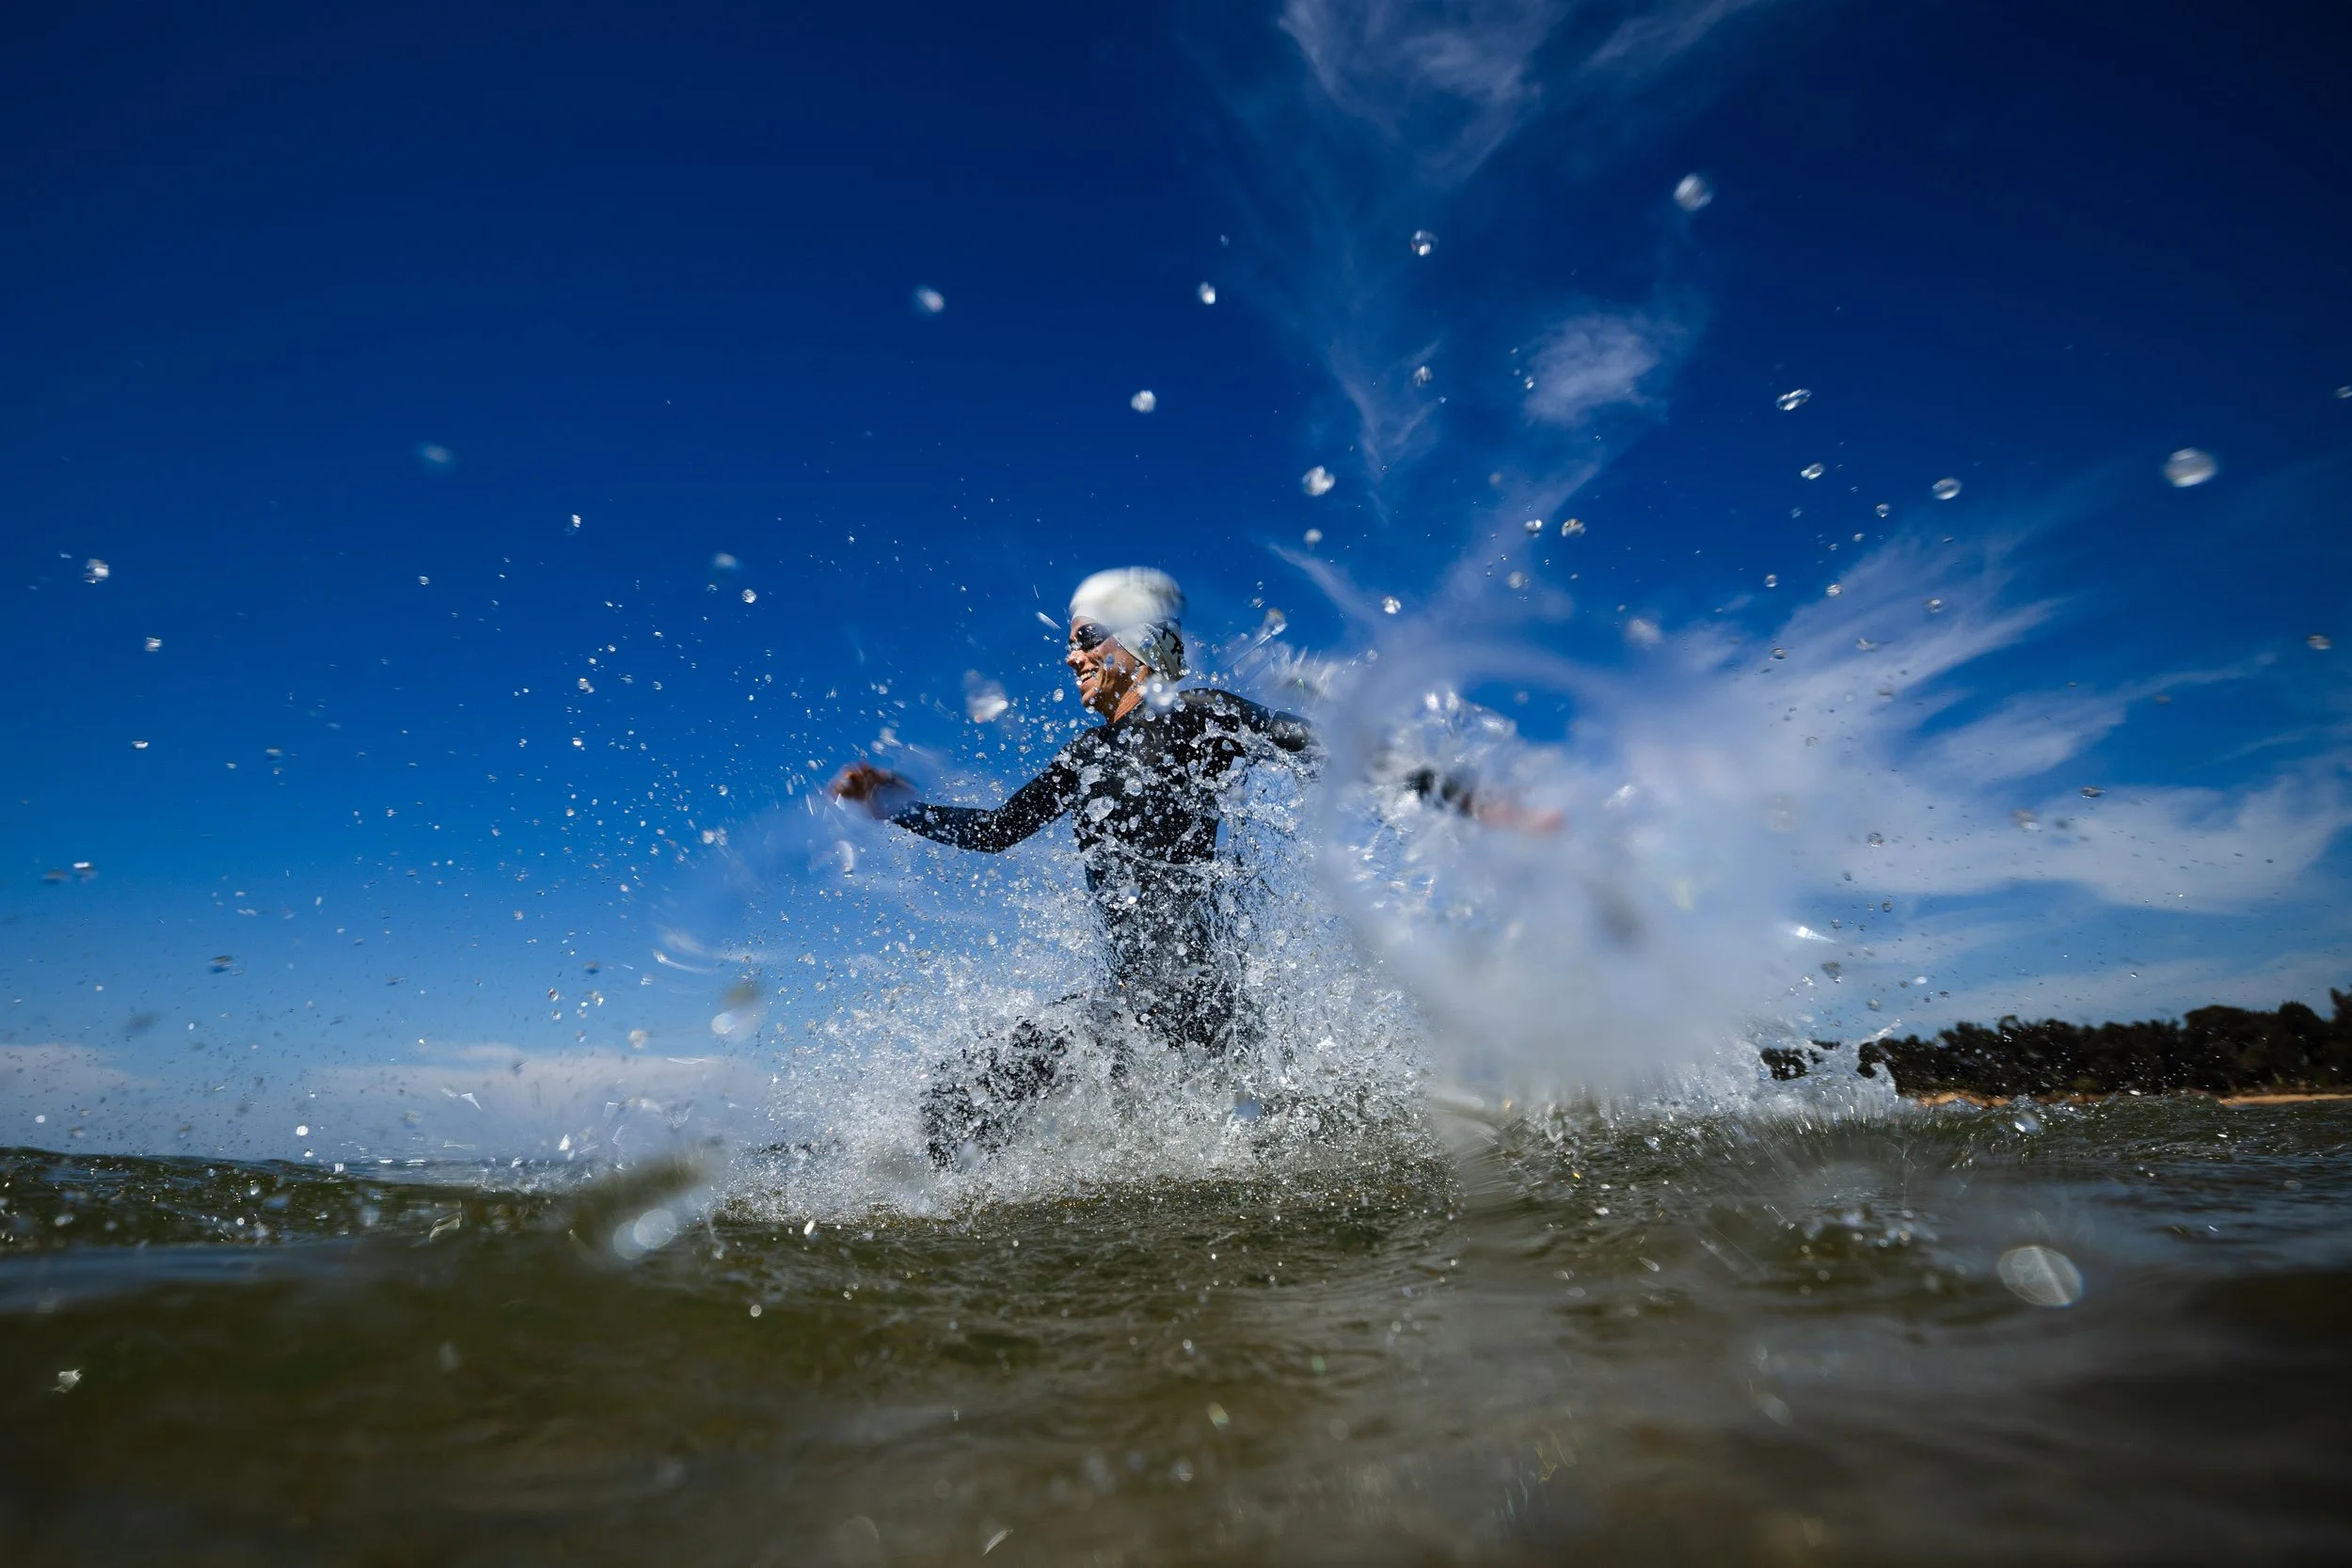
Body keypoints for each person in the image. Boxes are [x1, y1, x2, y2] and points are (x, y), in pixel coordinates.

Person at [830, 566, 1534, 1165]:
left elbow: (1322, 745)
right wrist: (898, 806)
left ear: (1134, 645)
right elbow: (995, 830)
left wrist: (1465, 797)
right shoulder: (1085, 756)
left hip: (1198, 999)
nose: (1071, 659)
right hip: (1133, 1004)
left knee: (974, 1089)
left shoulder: (1196, 715)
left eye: (1084, 639)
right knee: (964, 1094)